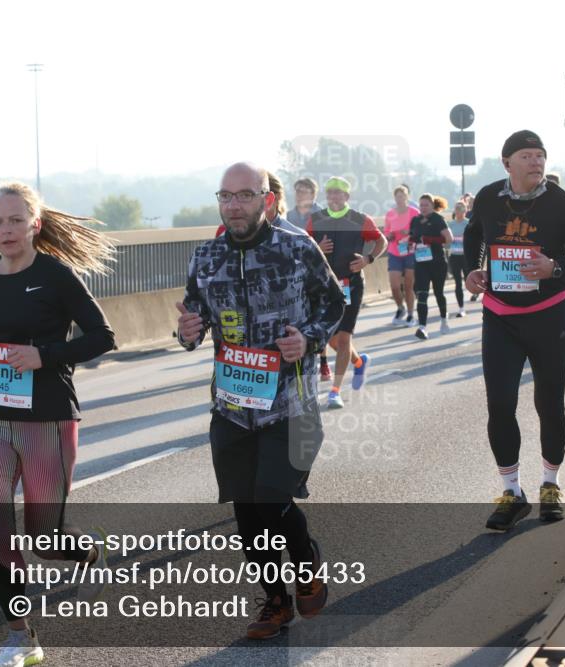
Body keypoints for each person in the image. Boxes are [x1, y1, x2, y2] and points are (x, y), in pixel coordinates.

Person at [0, 182, 116, 667]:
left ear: (34, 224)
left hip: (47, 419)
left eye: (15, 220)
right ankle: (22, 637)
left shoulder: (56, 276)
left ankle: (84, 551)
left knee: (44, 538)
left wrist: (44, 355)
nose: (5, 230)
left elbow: (103, 336)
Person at [176, 162, 344, 639]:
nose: (234, 205)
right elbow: (194, 318)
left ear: (266, 200)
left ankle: (306, 564)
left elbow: (334, 303)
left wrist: (308, 339)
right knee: (247, 511)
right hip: (231, 405)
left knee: (272, 499)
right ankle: (274, 603)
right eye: (225, 196)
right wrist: (188, 332)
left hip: (290, 403)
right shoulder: (206, 256)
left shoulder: (296, 248)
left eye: (244, 195)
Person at [463, 130, 565, 531]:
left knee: (550, 405)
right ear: (507, 163)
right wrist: (472, 269)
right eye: (527, 156)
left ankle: (550, 485)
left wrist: (554, 269)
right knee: (500, 404)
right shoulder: (490, 197)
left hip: (549, 314)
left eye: (540, 155)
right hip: (501, 316)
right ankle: (511, 492)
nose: (536, 162)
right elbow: (473, 233)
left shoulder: (559, 201)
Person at [306, 177, 386, 409]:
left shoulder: (360, 220)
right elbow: (303, 248)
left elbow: (382, 241)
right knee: (328, 337)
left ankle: (335, 391)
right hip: (325, 286)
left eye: (338, 193)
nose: (333, 197)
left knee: (343, 338)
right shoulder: (316, 220)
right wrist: (317, 248)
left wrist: (368, 259)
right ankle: (359, 362)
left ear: (346, 197)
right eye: (330, 193)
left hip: (351, 284)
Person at [409, 194, 453, 340]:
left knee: (439, 292)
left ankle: (444, 319)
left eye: (426, 205)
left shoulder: (437, 219)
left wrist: (430, 240)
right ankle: (422, 327)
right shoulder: (415, 220)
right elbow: (412, 237)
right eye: (421, 205)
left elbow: (449, 239)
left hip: (438, 262)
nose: (423, 208)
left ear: (432, 206)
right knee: (422, 294)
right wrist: (409, 242)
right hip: (421, 263)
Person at [383, 185, 419, 327]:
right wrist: (389, 235)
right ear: (395, 198)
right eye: (397, 196)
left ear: (407, 197)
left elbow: (419, 230)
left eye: (402, 196)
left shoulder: (414, 212)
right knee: (394, 286)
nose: (400, 199)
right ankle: (400, 308)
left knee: (409, 285)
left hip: (410, 251)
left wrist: (409, 233)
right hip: (394, 251)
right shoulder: (390, 214)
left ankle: (411, 314)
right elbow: (385, 231)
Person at [447, 200, 471, 317]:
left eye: (461, 209)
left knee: (468, 280)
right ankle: (461, 308)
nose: (458, 212)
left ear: (465, 211)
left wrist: (464, 238)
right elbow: (446, 242)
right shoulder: (450, 224)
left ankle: (479, 295)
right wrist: (449, 241)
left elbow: (475, 239)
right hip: (455, 256)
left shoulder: (469, 223)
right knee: (457, 283)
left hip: (466, 256)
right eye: (456, 209)